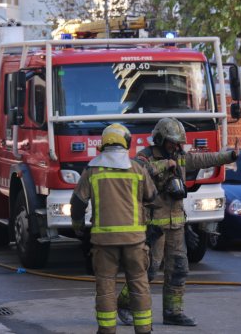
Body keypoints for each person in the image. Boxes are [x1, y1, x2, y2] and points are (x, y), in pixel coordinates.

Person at [117, 117, 240, 326]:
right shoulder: (145, 157)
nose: (176, 147)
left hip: (176, 226)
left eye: (178, 143)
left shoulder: (181, 156)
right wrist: (165, 165)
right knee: (148, 269)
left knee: (179, 269)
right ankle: (125, 304)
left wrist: (230, 155)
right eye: (172, 142)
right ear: (159, 139)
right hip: (153, 227)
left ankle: (173, 312)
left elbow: (204, 159)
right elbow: (137, 172)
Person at [70, 123, 157, 334]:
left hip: (104, 242)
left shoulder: (92, 170)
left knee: (106, 286)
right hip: (135, 240)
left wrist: (78, 227)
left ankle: (107, 330)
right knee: (138, 284)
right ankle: (144, 329)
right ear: (126, 143)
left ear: (103, 144)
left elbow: (78, 203)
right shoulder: (138, 169)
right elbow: (153, 197)